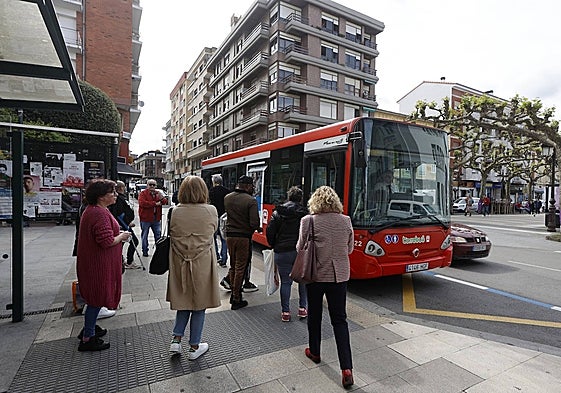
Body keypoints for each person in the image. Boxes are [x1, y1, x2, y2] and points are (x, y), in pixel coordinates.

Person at [298, 185, 354, 388]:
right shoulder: (346, 220)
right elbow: (349, 248)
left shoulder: (308, 221)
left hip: (315, 275)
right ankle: (347, 368)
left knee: (314, 315)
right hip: (339, 276)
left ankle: (315, 351)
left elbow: (300, 247)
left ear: (315, 201)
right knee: (340, 320)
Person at [167, 176, 221, 359]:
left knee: (183, 300)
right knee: (199, 304)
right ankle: (194, 346)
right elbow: (213, 230)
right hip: (202, 261)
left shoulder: (175, 211)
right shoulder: (211, 210)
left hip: (180, 261)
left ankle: (176, 340)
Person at [76, 179, 131, 351]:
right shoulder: (98, 213)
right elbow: (106, 241)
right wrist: (122, 237)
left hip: (96, 262)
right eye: (112, 192)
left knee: (96, 298)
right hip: (98, 265)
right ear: (101, 196)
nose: (115, 195)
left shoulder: (96, 210)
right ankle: (88, 338)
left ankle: (89, 328)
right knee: (96, 298)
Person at [266, 186, 308, 322]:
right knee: (303, 281)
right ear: (300, 198)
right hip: (300, 252)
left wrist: (274, 245)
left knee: (286, 282)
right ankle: (302, 309)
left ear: (288, 197)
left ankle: (285, 312)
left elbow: (270, 232)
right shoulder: (305, 214)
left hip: (282, 251)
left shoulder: (278, 213)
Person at [221, 175, 260, 310]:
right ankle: (236, 297)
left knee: (232, 265)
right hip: (243, 237)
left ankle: (234, 291)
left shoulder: (228, 198)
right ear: (248, 186)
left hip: (230, 237)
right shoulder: (251, 201)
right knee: (240, 267)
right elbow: (254, 223)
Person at [109, 180, 141, 269]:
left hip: (125, 224)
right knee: (133, 241)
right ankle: (127, 261)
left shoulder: (121, 197)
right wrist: (127, 222)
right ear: (122, 188)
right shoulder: (119, 199)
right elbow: (118, 213)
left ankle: (122, 260)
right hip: (123, 225)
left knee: (124, 242)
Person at [138, 179, 168, 257]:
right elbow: (142, 203)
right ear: (147, 185)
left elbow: (164, 202)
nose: (152, 186)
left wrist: (162, 198)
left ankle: (158, 251)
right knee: (145, 235)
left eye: (153, 185)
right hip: (145, 218)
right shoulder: (143, 193)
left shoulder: (158, 193)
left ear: (156, 186)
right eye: (150, 184)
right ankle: (145, 251)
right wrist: (155, 203)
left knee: (158, 235)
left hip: (156, 218)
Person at [209, 174, 230, 267]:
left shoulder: (211, 191)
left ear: (214, 182)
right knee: (224, 239)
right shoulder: (227, 191)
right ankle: (224, 259)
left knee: (213, 238)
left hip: (213, 217)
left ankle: (217, 256)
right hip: (224, 217)